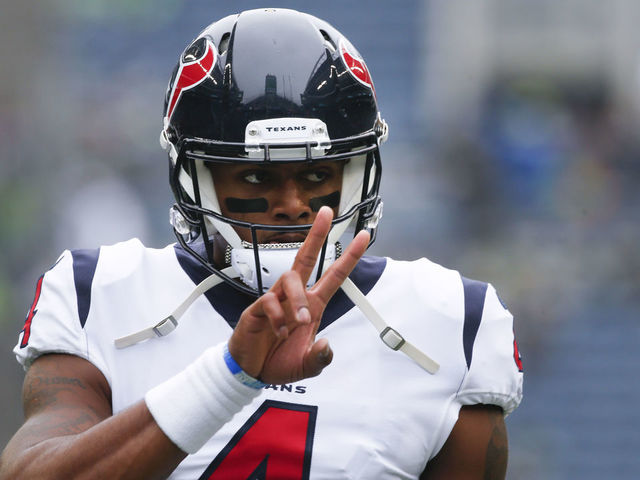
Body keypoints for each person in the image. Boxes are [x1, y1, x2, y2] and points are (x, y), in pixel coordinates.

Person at [0, 8, 523, 479]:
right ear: (194, 179)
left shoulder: (451, 321)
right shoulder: (99, 293)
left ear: (357, 173)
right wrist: (230, 376)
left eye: (317, 175)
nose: (292, 205)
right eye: (256, 177)